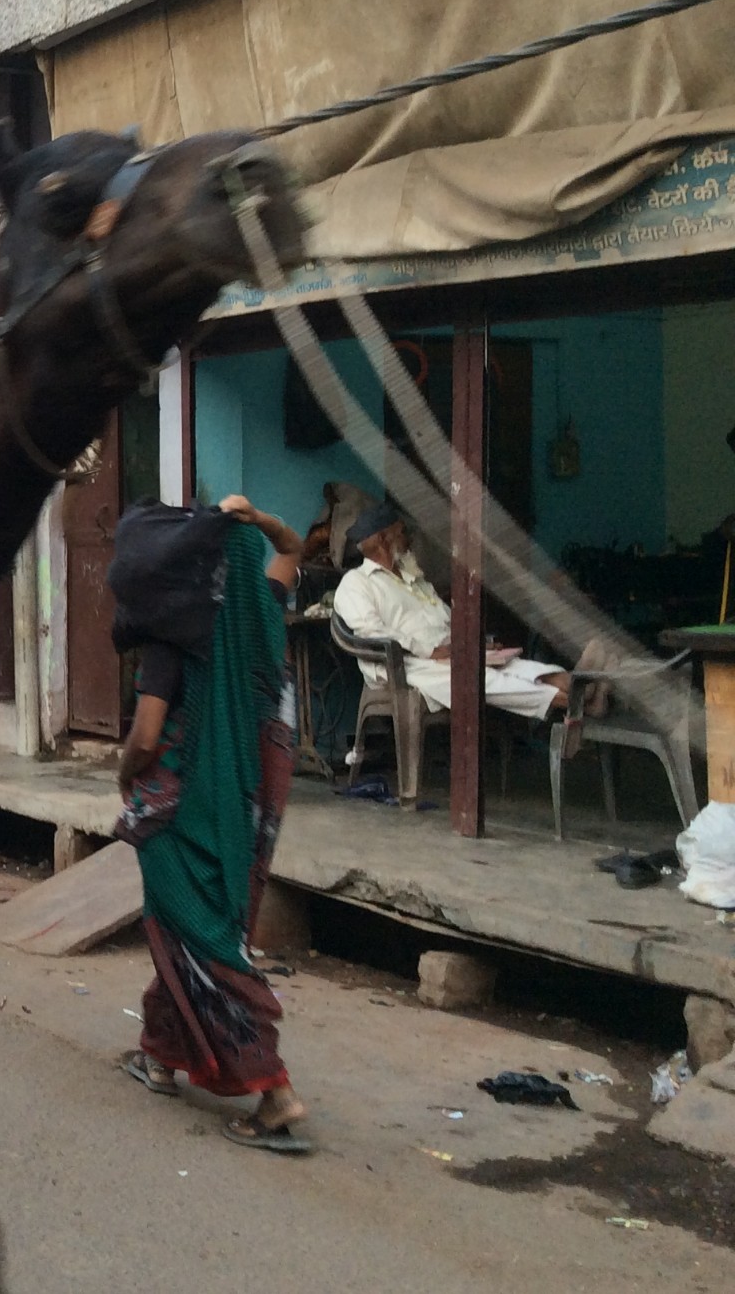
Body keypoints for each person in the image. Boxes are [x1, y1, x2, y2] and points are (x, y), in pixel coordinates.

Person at [113, 494, 312, 1153]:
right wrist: (260, 520)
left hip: (180, 816)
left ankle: (275, 1091)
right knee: (186, 935)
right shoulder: (259, 610)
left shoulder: (173, 641)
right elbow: (292, 550)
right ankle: (159, 1054)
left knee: (203, 941)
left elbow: (145, 738)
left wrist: (123, 778)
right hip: (246, 811)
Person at [332, 500, 568, 720]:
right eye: (401, 532)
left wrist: (474, 642)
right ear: (383, 539)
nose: (408, 538)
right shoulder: (356, 583)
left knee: (512, 665)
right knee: (479, 679)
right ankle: (574, 702)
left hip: (447, 654)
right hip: (404, 665)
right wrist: (431, 651)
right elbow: (371, 633)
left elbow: (445, 618)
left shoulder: (411, 577)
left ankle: (580, 688)